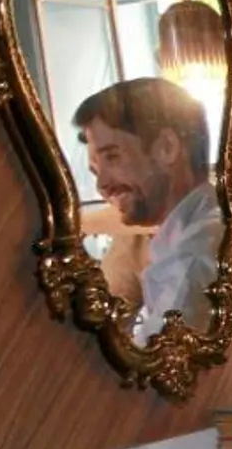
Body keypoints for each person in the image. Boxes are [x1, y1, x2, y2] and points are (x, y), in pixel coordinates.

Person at [75, 77, 222, 345]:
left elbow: (158, 367)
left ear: (167, 147)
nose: (102, 185)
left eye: (112, 157)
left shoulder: (194, 256)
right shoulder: (194, 229)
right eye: (96, 170)